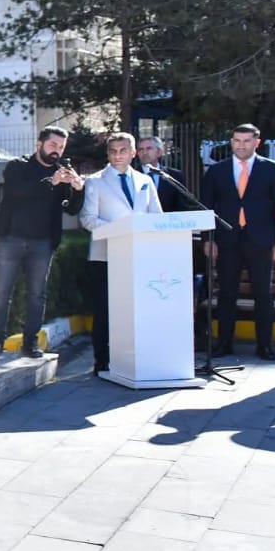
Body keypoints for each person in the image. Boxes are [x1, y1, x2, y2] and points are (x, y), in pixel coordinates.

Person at [0, 127, 84, 358]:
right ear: (39, 144)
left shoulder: (62, 172)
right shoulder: (17, 166)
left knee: (37, 294)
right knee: (1, 292)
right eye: (53, 145)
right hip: (10, 238)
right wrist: (51, 181)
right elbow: (18, 192)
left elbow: (71, 209)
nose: (57, 151)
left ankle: (30, 343)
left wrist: (78, 190)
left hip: (43, 243)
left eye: (61, 147)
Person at [198, 124, 275, 360]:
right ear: (231, 142)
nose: (241, 145)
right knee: (226, 293)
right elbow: (206, 207)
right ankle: (224, 344)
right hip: (227, 240)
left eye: (246, 141)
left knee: (262, 295)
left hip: (261, 241)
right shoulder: (217, 171)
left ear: (257, 143)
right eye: (237, 141)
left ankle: (264, 346)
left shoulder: (272, 169)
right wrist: (208, 239)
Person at [79, 133, 162, 374]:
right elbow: (87, 218)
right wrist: (120, 231)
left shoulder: (145, 180)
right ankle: (102, 361)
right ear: (107, 154)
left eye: (123, 150)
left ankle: (136, 358)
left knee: (137, 309)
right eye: (113, 151)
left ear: (133, 153)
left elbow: (156, 215)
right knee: (105, 310)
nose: (117, 155)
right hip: (106, 255)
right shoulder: (95, 181)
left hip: (138, 256)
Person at [135, 136, 188, 211]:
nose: (144, 152)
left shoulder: (174, 176)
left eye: (149, 148)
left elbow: (182, 206)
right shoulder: (132, 176)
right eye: (141, 149)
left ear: (159, 152)